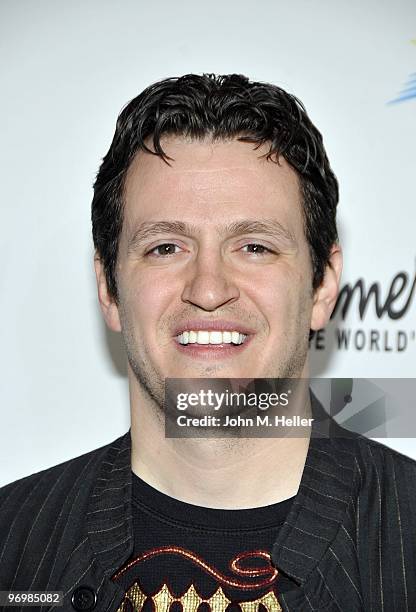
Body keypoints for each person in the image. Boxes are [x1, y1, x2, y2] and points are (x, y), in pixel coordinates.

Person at [0, 73, 415, 612]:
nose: (209, 289)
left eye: (255, 247)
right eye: (166, 247)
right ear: (108, 287)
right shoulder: (14, 543)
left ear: (322, 286)